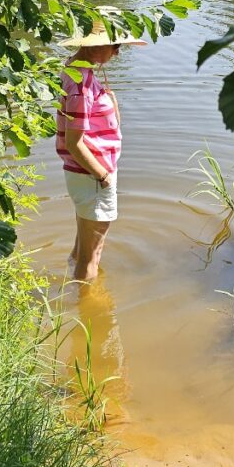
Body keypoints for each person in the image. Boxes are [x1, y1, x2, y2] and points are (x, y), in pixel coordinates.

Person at [57, 21, 145, 282]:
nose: (117, 53)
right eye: (115, 46)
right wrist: (103, 177)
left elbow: (106, 124)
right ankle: (90, 311)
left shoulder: (76, 72)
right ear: (98, 46)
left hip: (85, 175)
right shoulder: (81, 84)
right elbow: (75, 141)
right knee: (91, 257)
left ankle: (71, 290)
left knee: (82, 250)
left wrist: (109, 98)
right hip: (92, 175)